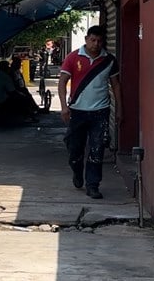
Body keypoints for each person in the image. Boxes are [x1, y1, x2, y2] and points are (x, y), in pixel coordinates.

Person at [58, 25, 122, 199]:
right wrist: (64, 107)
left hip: (100, 112)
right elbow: (62, 82)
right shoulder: (73, 58)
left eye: (99, 41)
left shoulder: (109, 60)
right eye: (92, 40)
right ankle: (77, 172)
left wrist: (119, 109)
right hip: (77, 111)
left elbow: (115, 85)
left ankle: (93, 185)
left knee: (96, 149)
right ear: (86, 39)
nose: (95, 44)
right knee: (74, 149)